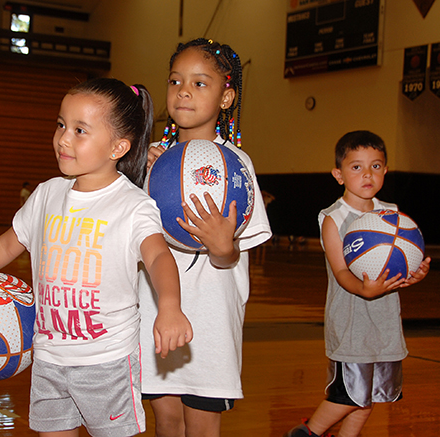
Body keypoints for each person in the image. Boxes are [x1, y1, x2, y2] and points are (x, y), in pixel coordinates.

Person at [0, 78, 193, 437]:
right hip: (48, 358)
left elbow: (159, 257)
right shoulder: (45, 195)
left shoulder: (132, 205)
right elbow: (8, 244)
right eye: (60, 125)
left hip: (107, 363)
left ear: (118, 146)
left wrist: (170, 305)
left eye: (80, 130)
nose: (63, 138)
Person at [138, 38, 272, 437]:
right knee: (166, 419)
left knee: (201, 423)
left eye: (200, 83)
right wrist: (134, 172)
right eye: (175, 80)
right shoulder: (147, 160)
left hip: (210, 316)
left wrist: (223, 248)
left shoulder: (236, 164)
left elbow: (234, 255)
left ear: (226, 96)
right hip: (155, 312)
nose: (183, 90)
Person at [283, 131, 431, 437]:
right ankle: (307, 432)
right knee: (350, 394)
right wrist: (364, 289)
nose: (368, 174)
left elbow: (396, 269)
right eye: (356, 167)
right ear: (338, 174)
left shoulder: (391, 214)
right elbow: (341, 271)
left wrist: (412, 275)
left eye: (376, 166)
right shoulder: (333, 218)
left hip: (385, 321)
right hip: (351, 321)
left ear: (386, 170)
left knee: (371, 395)